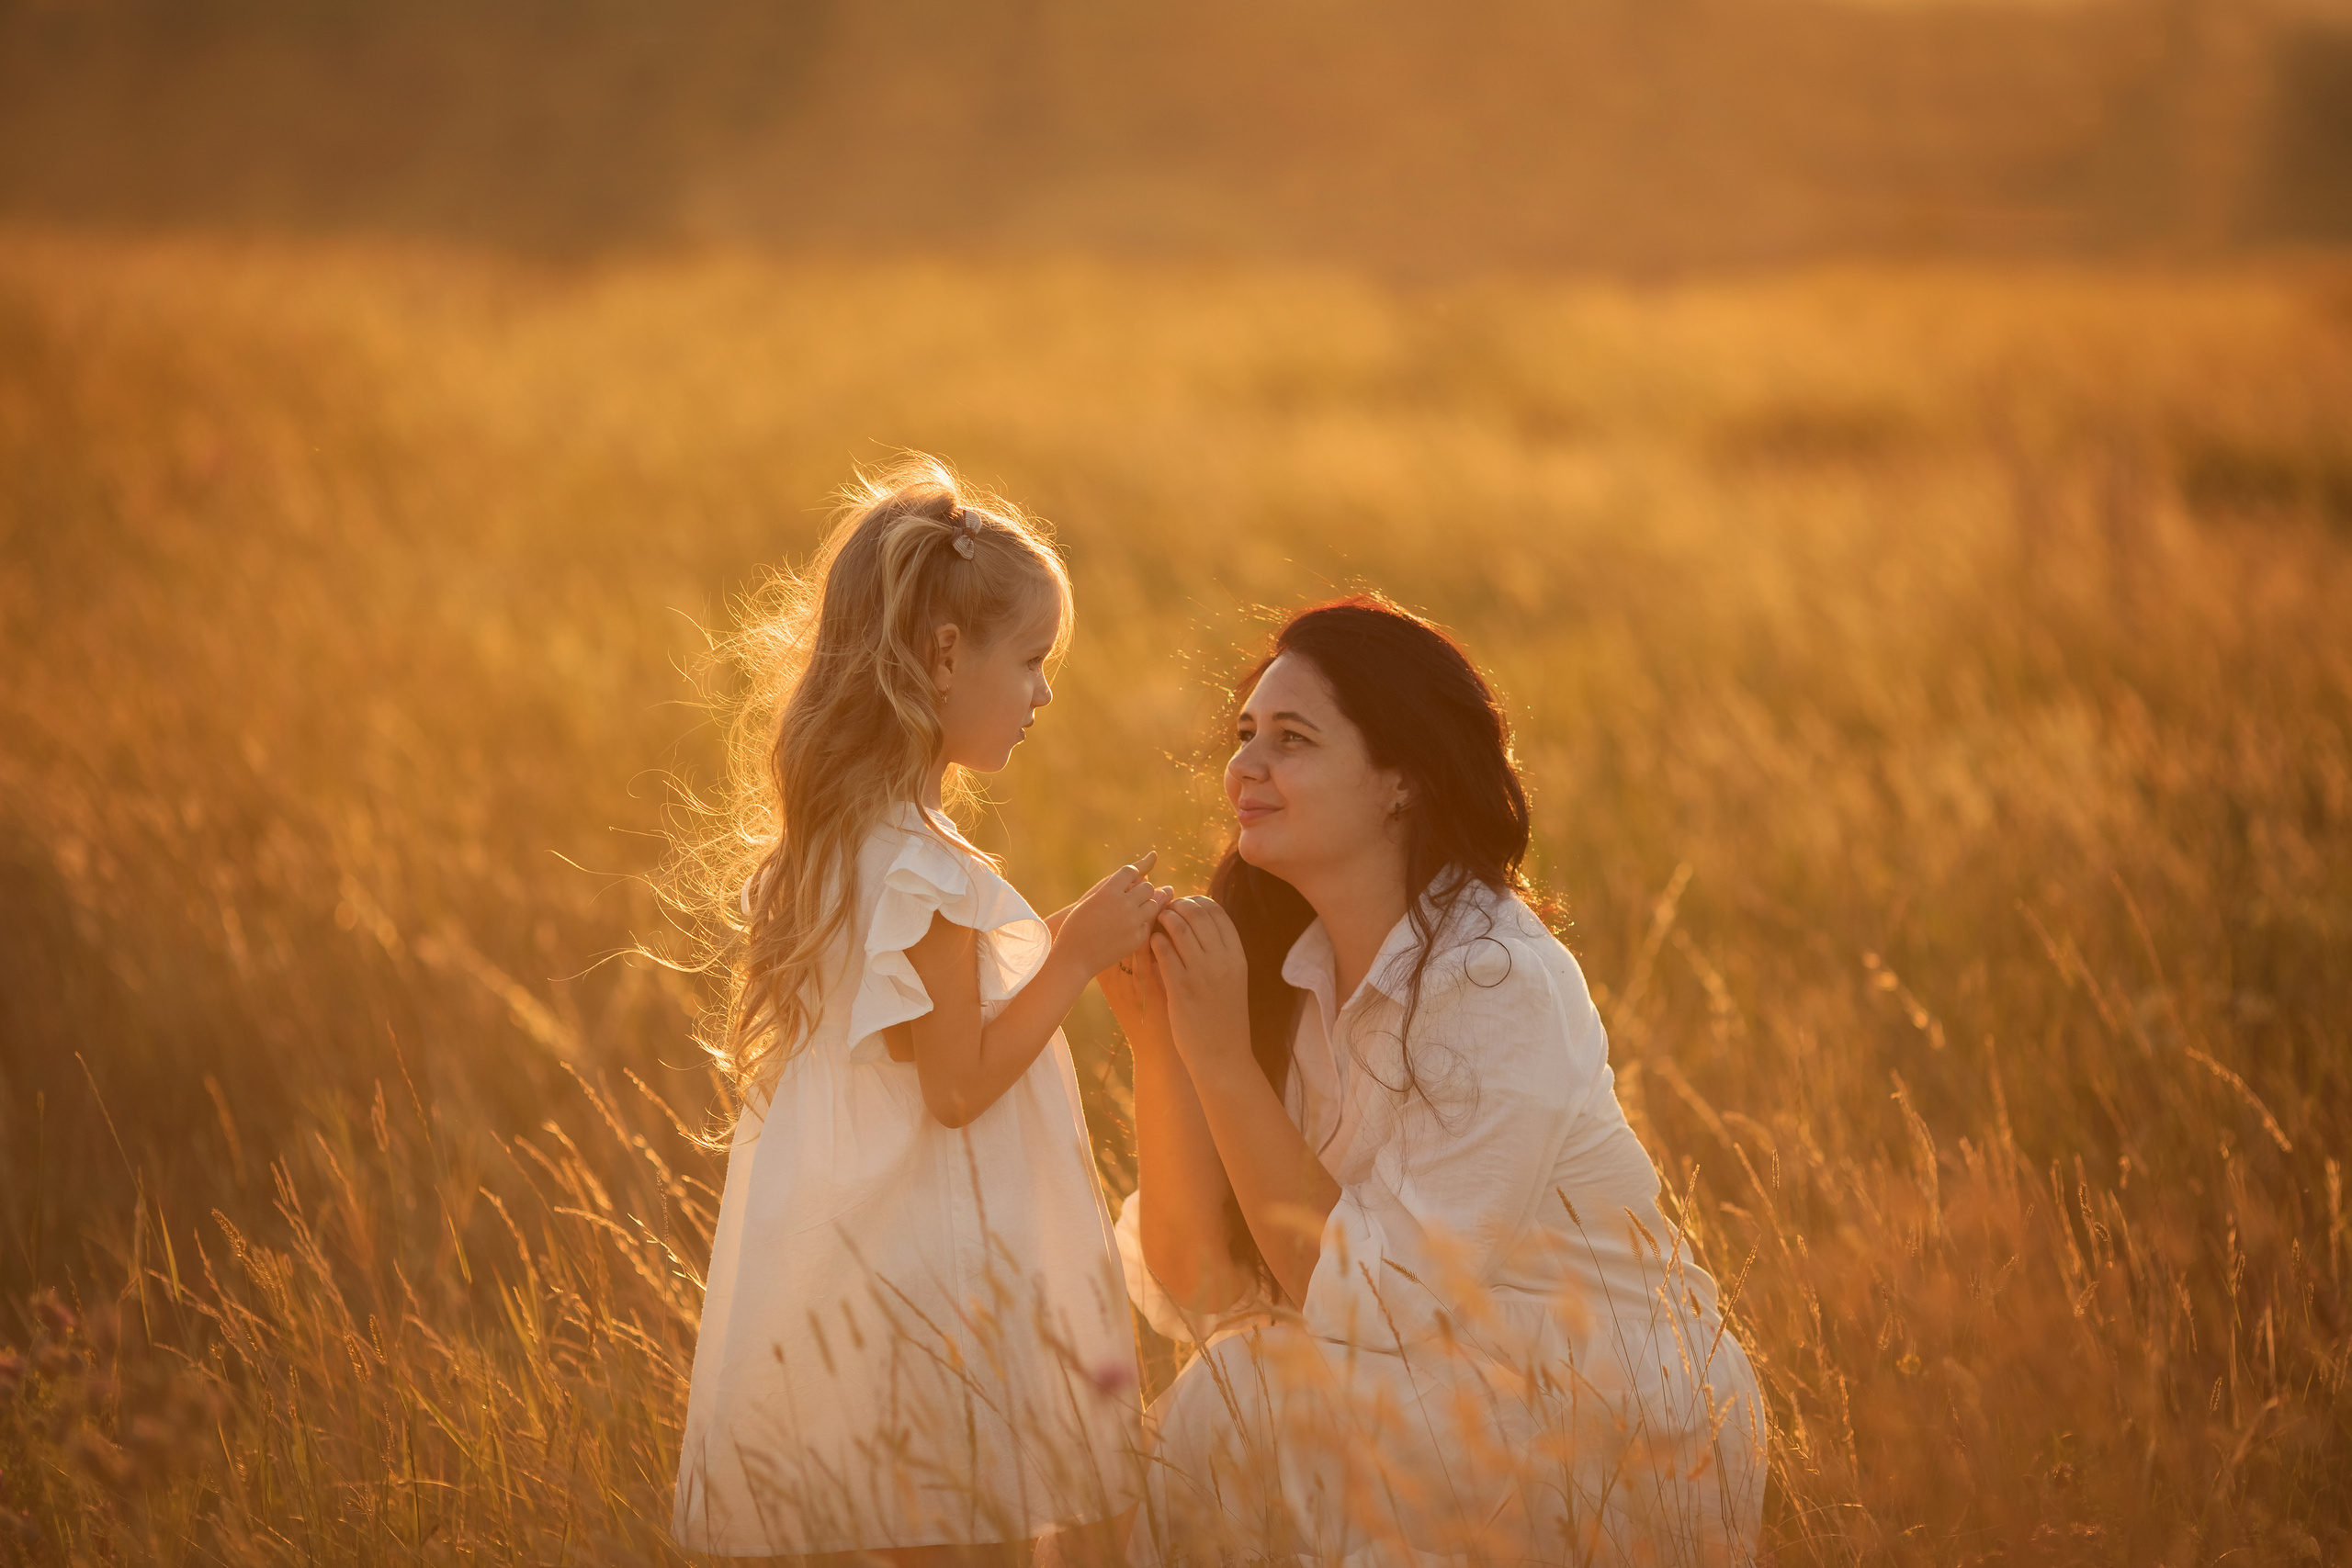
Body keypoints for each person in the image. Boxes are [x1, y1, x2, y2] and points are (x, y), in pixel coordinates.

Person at [1102, 594, 1765, 1565]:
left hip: (1599, 1420)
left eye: (1292, 740)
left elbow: (1377, 1301)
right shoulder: (1286, 964)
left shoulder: (1497, 978)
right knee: (1229, 1392)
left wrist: (1221, 1059)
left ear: (1400, 782)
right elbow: (1199, 1280)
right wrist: (1161, 1043)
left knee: (1265, 1392)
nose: (1245, 768)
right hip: (1411, 1389)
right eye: (1246, 735)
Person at [672, 457, 1163, 1563]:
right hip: (932, 1274)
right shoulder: (922, 872)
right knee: (960, 1530)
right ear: (944, 656)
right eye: (1030, 662)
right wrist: (1078, 953)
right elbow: (956, 1084)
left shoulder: (843, 844)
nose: (1043, 695)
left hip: (856, 1264)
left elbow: (924, 1041)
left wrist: (1062, 939)